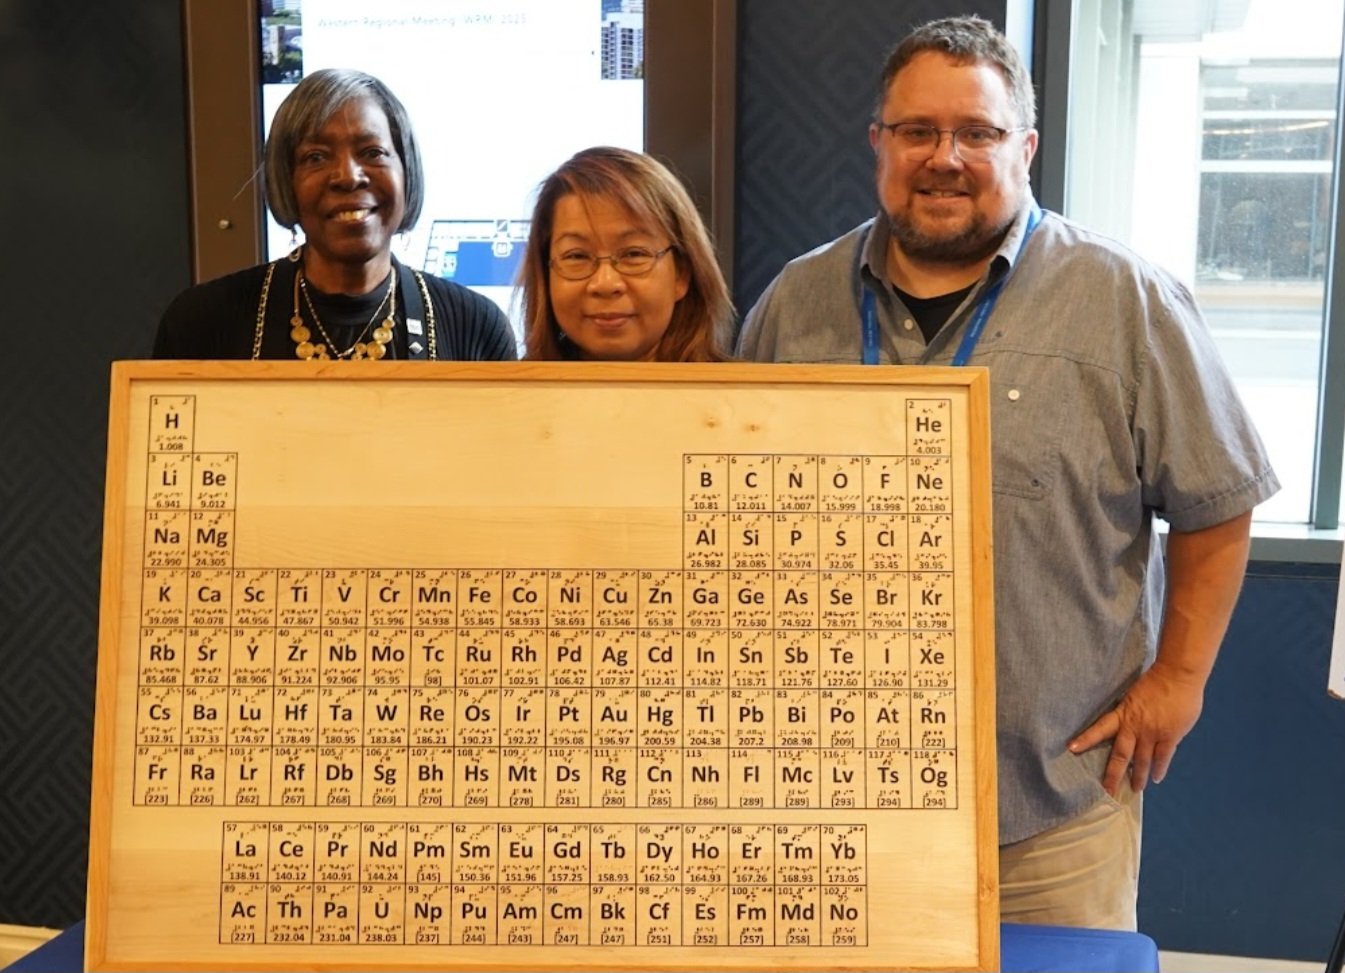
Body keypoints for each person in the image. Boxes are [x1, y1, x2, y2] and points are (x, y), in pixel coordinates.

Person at [736, 15, 1276, 930]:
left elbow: (1216, 503)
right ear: (879, 143)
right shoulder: (797, 302)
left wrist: (1179, 680)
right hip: (827, 797)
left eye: (977, 133)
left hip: (1047, 808)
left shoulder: (1126, 300)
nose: (945, 156)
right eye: (917, 131)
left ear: (1024, 147)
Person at [153, 68, 515, 361]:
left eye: (372, 152)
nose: (348, 176)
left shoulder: (476, 329)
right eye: (316, 157)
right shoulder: (200, 324)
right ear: (286, 179)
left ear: (407, 172)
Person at [517, 147, 730, 362]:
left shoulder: (746, 395)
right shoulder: (501, 394)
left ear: (682, 273)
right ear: (545, 272)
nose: (605, 284)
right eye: (577, 256)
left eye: (634, 254)